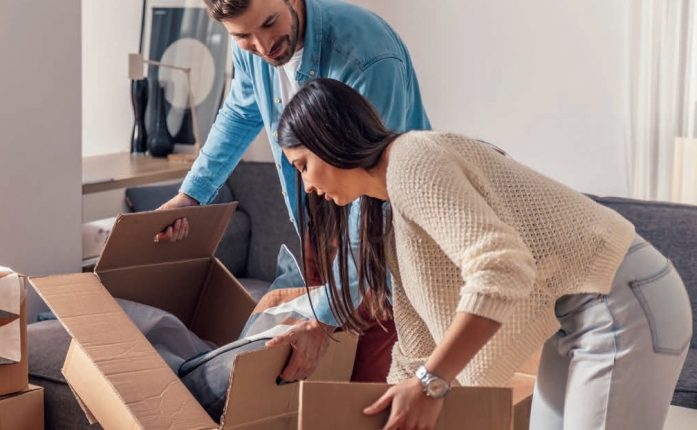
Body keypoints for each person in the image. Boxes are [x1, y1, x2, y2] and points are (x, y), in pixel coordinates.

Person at [276, 78, 692, 430]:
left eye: (303, 165)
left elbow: (501, 269)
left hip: (623, 297)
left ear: (329, 139)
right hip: (577, 316)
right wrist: (393, 410)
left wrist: (430, 384)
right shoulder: (389, 217)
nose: (307, 185)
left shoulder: (411, 160)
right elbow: (416, 344)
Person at [157, 0, 431, 383]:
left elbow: (375, 193)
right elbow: (240, 113)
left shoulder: (367, 56)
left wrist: (324, 320)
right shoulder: (252, 50)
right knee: (306, 375)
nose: (263, 45)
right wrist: (191, 195)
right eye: (243, 36)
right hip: (318, 221)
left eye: (270, 22)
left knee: (370, 383)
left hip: (380, 235)